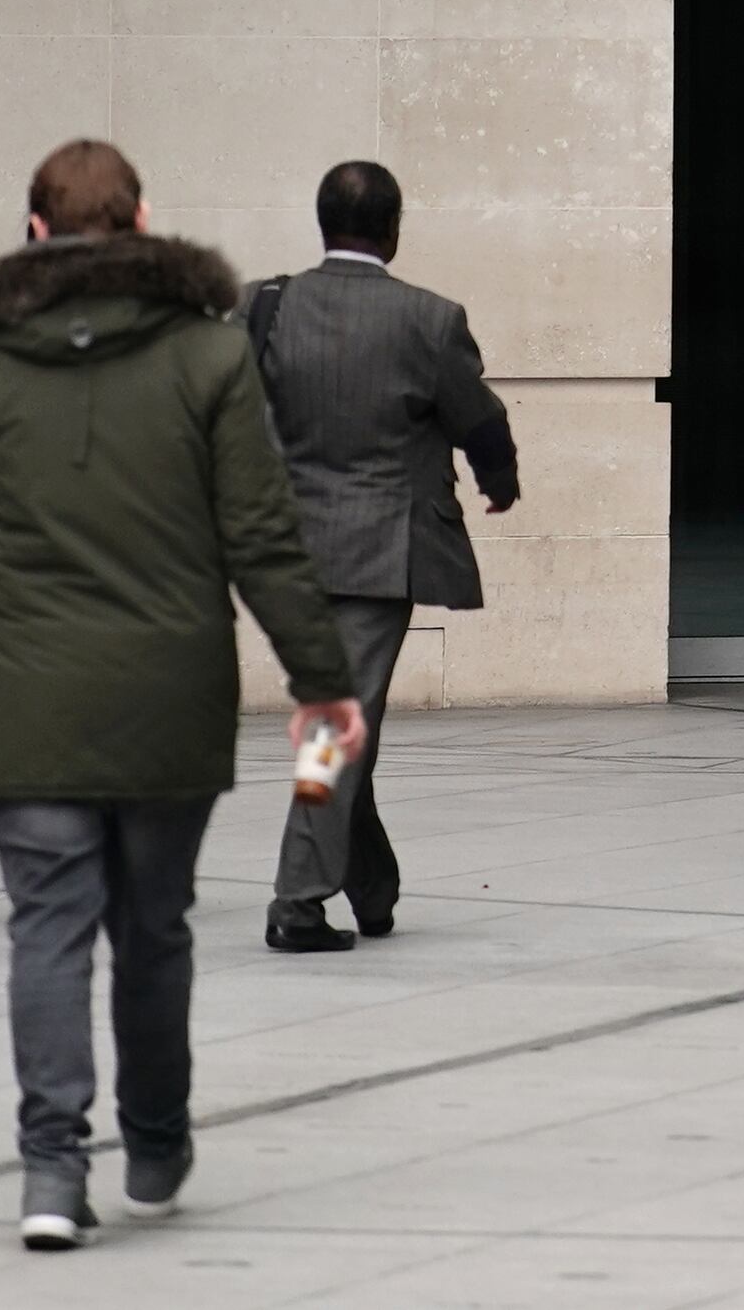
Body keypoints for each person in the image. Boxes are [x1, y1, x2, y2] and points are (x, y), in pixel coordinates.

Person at [0, 140, 361, 1254]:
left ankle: (51, 1172)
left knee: (46, 932)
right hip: (167, 696)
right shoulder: (209, 355)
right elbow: (260, 532)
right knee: (154, 931)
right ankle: (153, 1139)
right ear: (142, 219)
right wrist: (322, 682)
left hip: (25, 702)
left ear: (34, 233)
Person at [245, 157, 521, 953]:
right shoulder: (428, 319)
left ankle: (372, 885)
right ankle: (298, 900)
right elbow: (478, 416)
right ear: (394, 232)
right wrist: (498, 480)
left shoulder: (265, 306)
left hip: (282, 549)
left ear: (321, 221)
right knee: (338, 723)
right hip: (377, 552)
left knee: (339, 716)